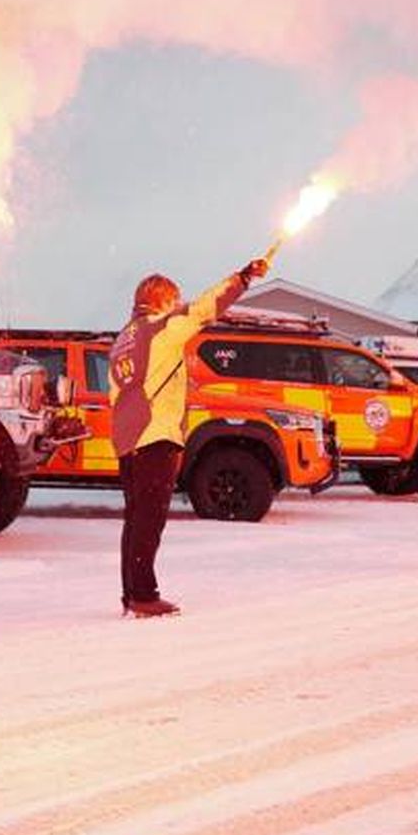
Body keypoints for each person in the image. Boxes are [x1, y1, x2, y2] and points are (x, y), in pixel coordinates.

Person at [109, 257, 268, 616]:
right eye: (174, 299)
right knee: (150, 519)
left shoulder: (123, 339)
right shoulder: (159, 329)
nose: (177, 305)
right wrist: (242, 278)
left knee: (136, 518)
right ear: (163, 300)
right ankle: (144, 596)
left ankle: (131, 593)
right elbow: (201, 310)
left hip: (128, 439)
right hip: (155, 435)